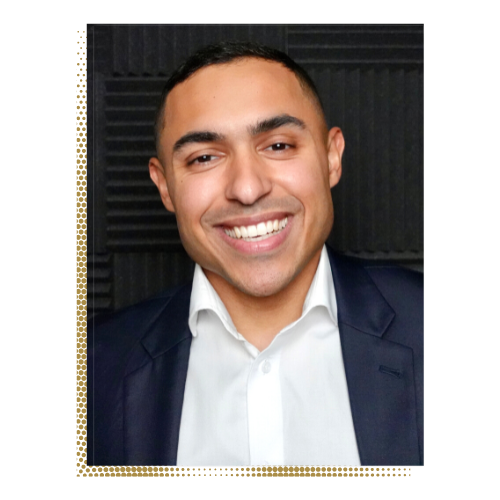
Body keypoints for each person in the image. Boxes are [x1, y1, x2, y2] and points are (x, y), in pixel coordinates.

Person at [87, 42, 424, 467]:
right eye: (204, 157)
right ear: (165, 186)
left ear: (331, 157)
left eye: (278, 146)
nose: (247, 189)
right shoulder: (93, 367)